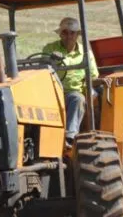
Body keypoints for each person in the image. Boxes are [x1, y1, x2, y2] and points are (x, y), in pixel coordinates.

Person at [41, 17, 103, 148]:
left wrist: (100, 81)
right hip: (52, 92)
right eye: (65, 32)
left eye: (72, 32)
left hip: (75, 93)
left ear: (77, 35)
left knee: (77, 98)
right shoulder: (50, 48)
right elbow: (42, 70)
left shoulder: (86, 53)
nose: (68, 36)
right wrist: (52, 59)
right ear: (60, 34)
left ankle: (70, 136)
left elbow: (92, 77)